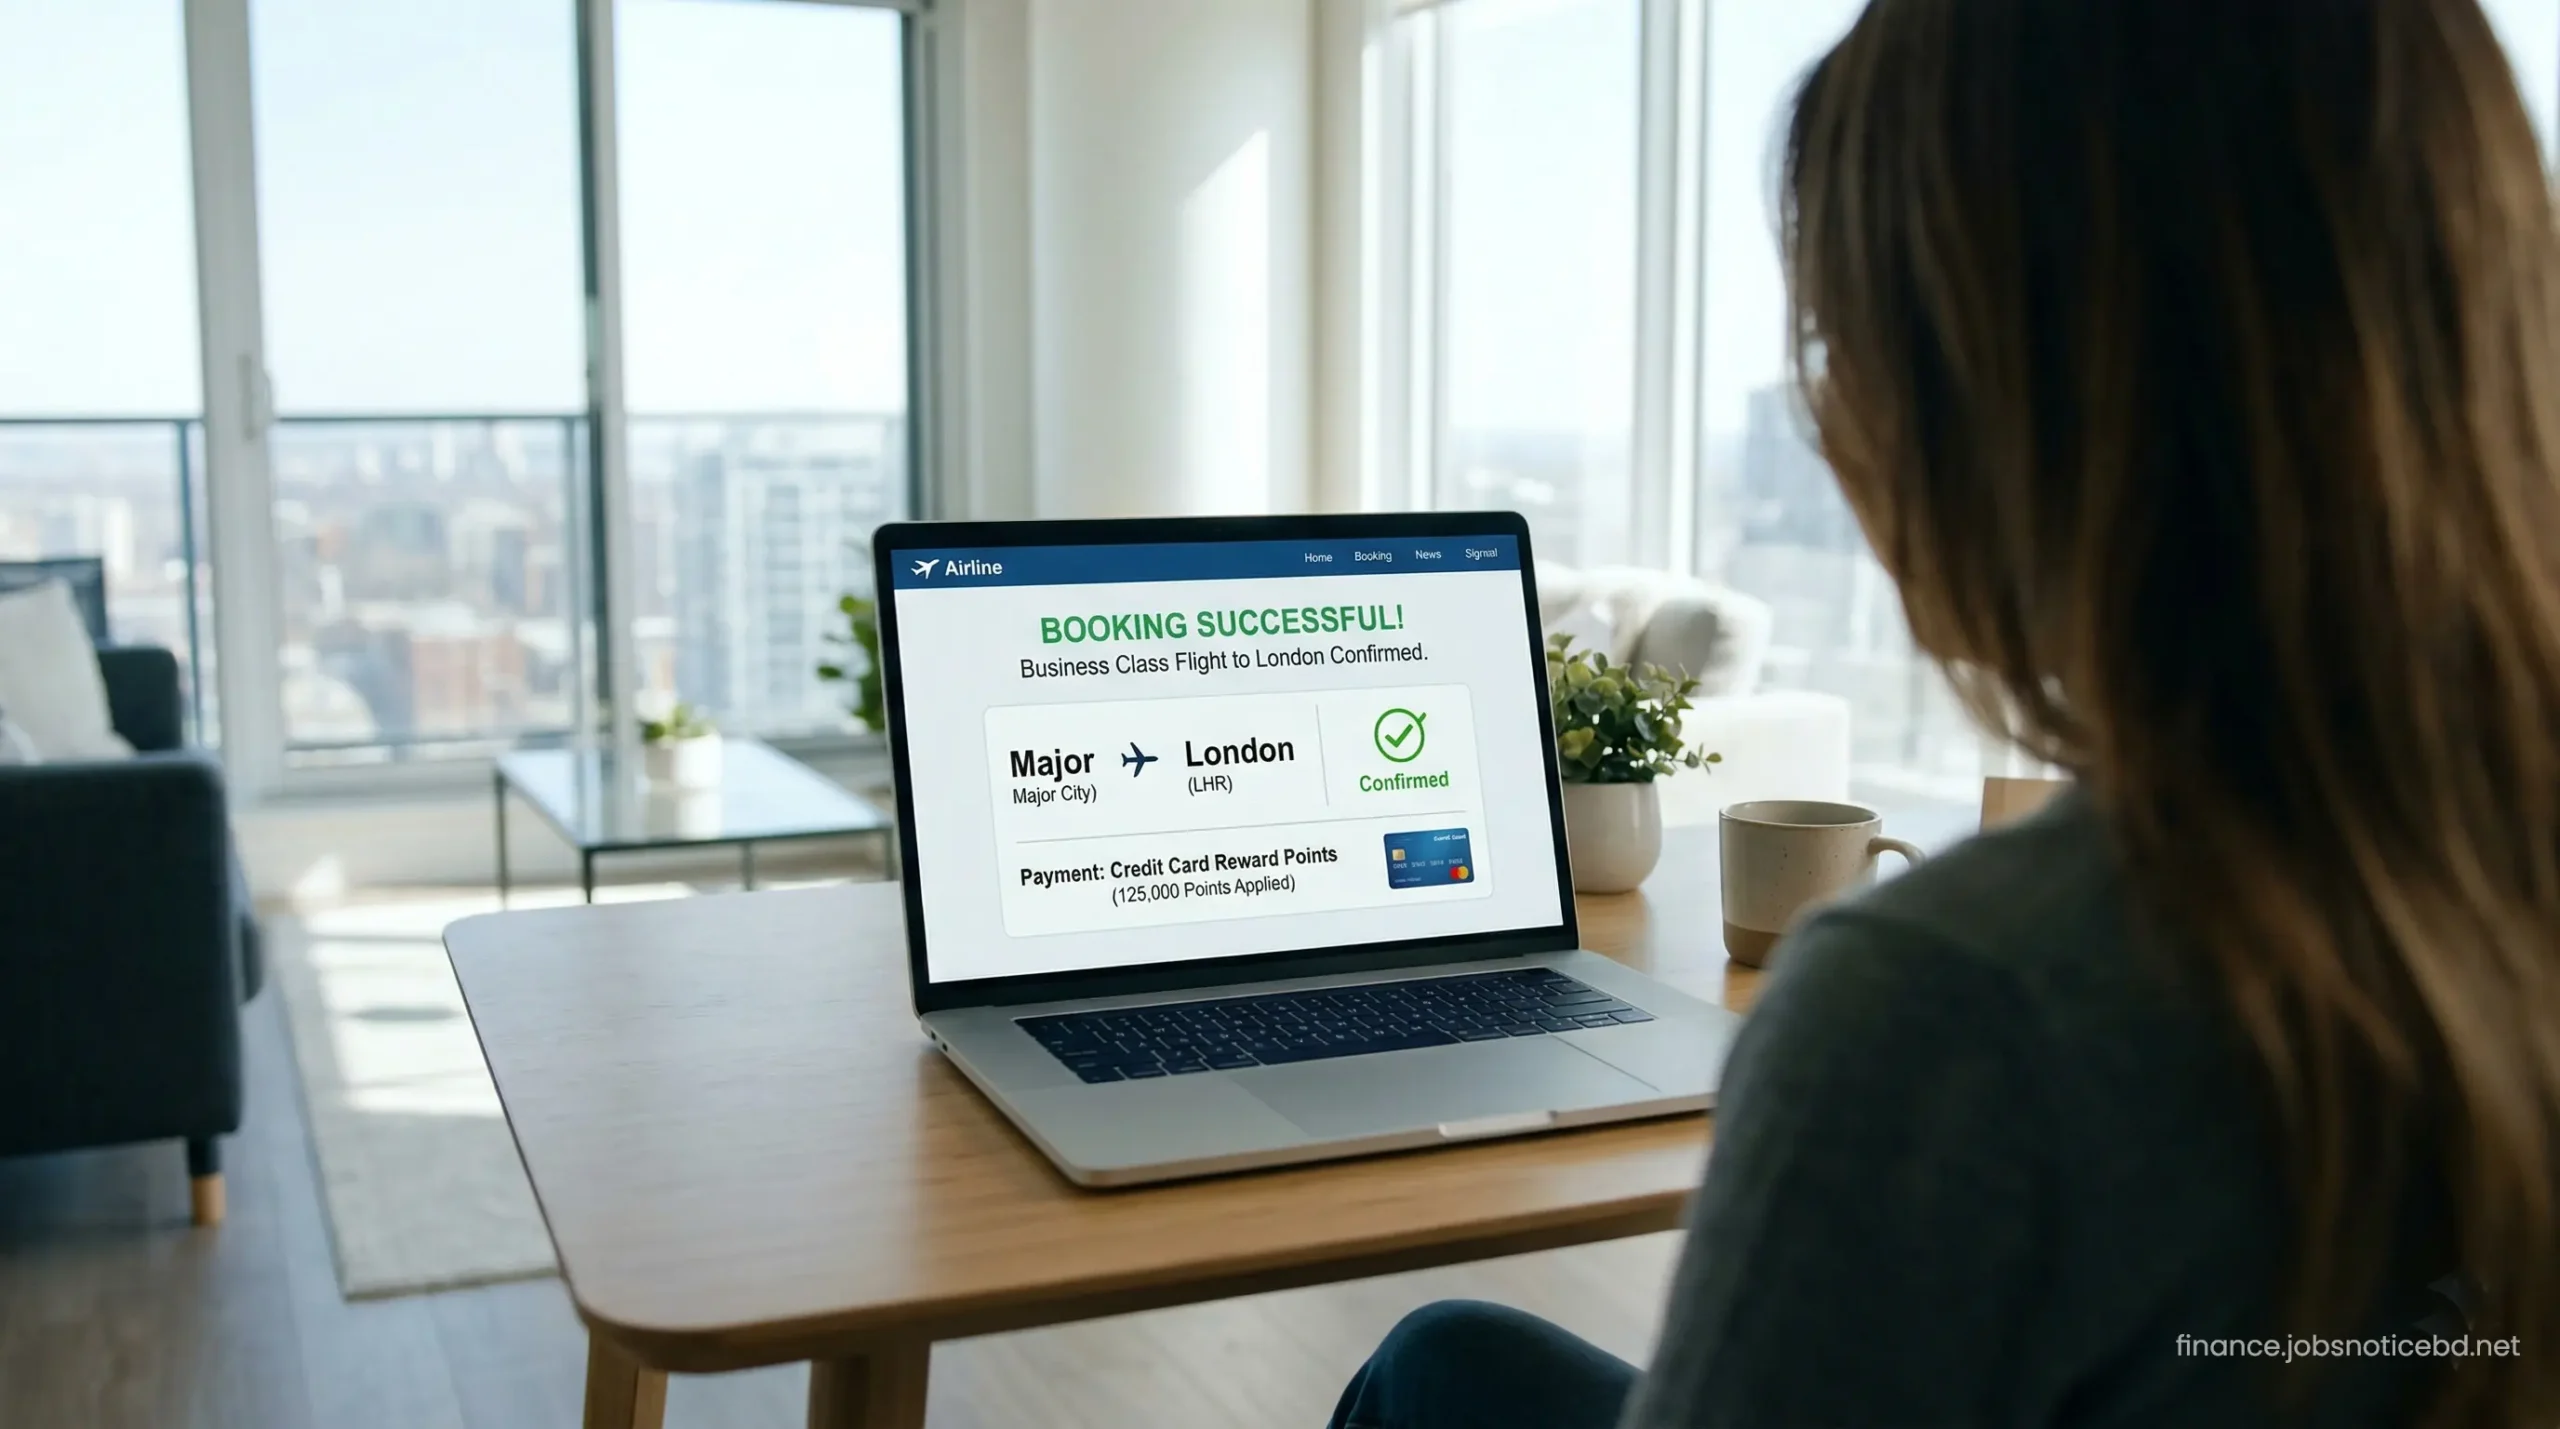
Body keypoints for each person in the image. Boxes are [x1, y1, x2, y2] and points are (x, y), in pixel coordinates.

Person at [1327, 0, 2560, 1425]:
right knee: (1455, 1360)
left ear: (2004, 401)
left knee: (1436, 1373)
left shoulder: (1949, 1017)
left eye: (1839, 353)